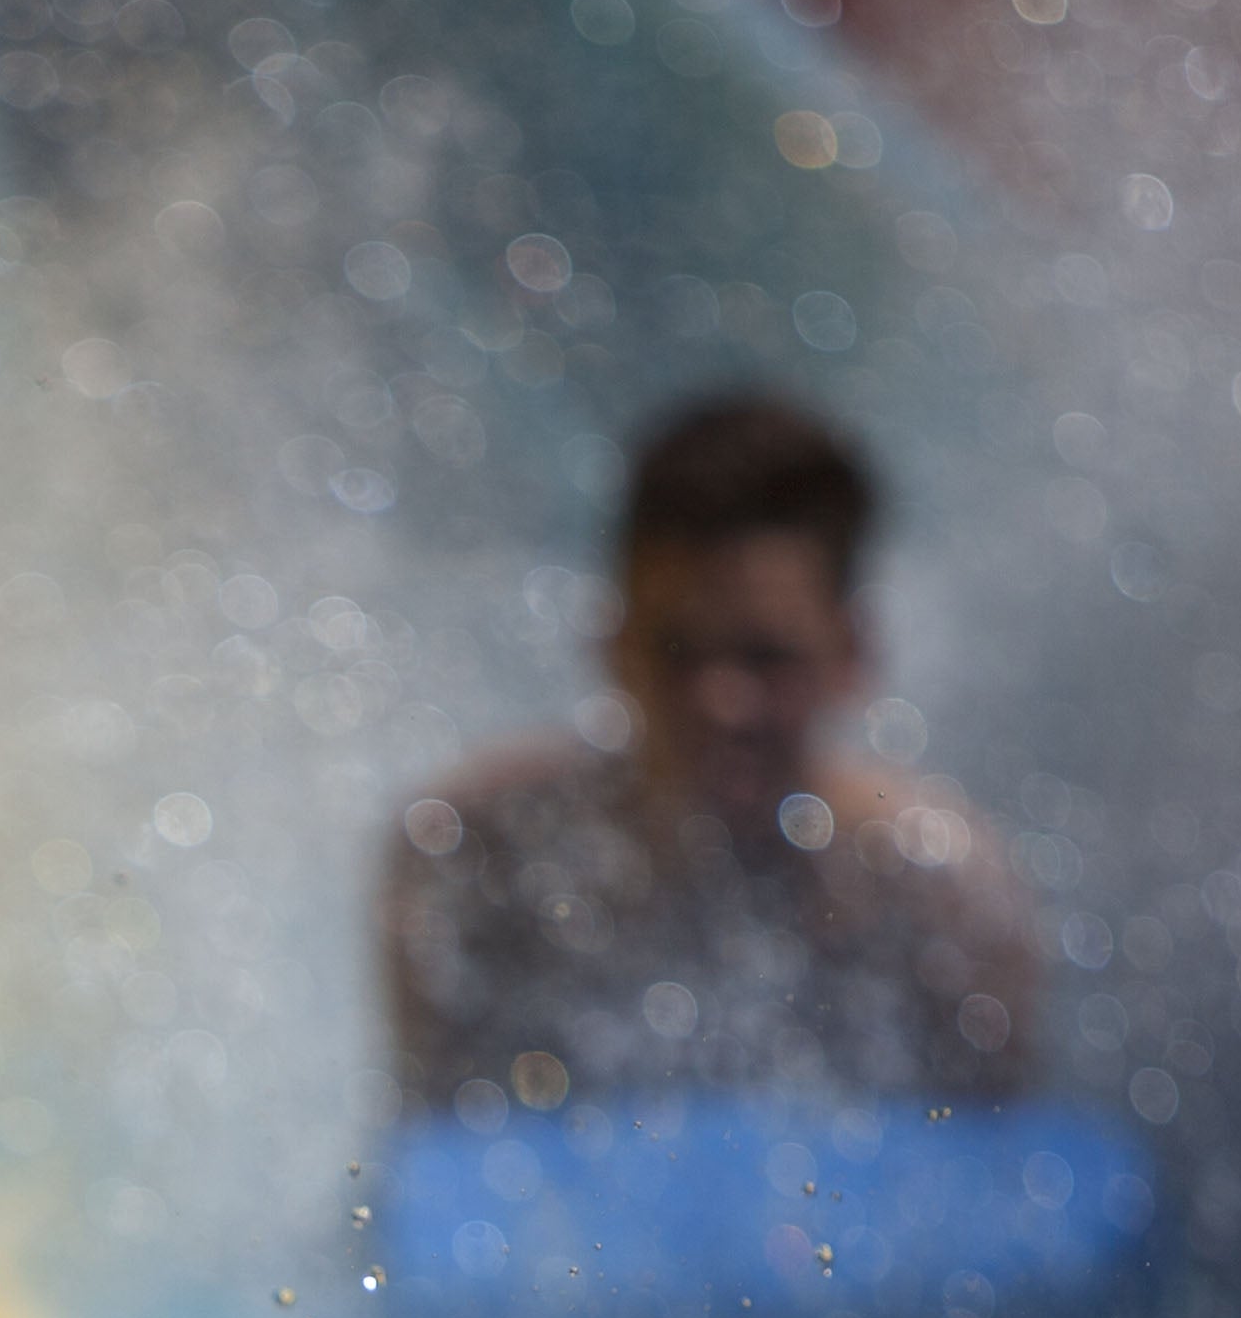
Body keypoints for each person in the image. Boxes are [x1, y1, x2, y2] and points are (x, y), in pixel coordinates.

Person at [381, 392, 1042, 1117]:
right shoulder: (474, 861)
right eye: (677, 651)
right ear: (612, 645)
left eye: (766, 658)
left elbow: (988, 1181)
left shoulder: (942, 901)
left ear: (852, 654)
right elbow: (430, 1173)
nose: (720, 700)